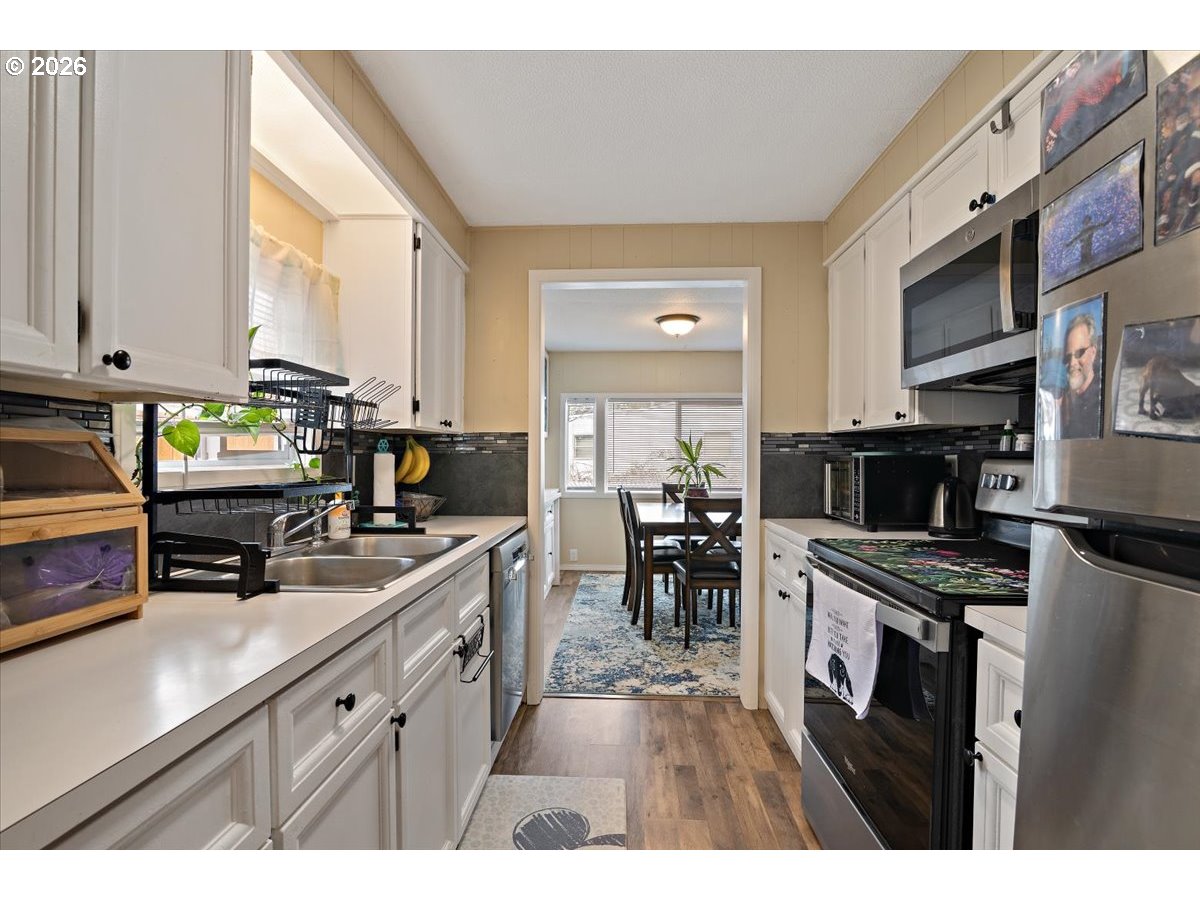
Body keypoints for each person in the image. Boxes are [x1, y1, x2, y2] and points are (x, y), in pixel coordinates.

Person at [1059, 312, 1102, 439]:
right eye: (1068, 357)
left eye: (1079, 353)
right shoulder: (1064, 402)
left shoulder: (1102, 399)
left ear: (1093, 352)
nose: (1072, 363)